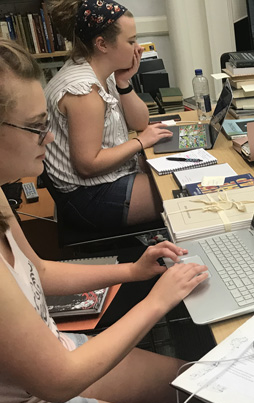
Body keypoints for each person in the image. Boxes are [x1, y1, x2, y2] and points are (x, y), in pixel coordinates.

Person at [0, 40, 225, 403]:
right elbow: (59, 381)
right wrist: (156, 301)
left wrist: (133, 270)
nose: (49, 139)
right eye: (39, 128)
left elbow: (36, 271)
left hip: (46, 369)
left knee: (193, 380)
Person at [44, 0, 172, 231]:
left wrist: (123, 82)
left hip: (108, 179)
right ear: (102, 44)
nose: (138, 48)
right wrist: (140, 142)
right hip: (89, 196)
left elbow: (140, 122)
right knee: (182, 189)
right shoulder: (84, 91)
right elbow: (87, 165)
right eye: (131, 41)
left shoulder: (104, 72)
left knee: (181, 177)